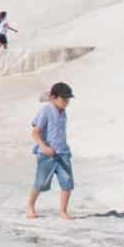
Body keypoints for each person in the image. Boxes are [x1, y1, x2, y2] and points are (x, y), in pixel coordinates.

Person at [27, 83, 75, 220]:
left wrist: (66, 149)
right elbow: (35, 133)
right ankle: (30, 206)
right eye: (64, 99)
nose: (66, 102)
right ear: (53, 98)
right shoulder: (46, 110)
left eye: (68, 100)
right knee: (41, 183)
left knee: (67, 182)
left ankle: (63, 211)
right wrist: (44, 147)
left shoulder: (63, 112)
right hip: (46, 154)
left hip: (63, 152)